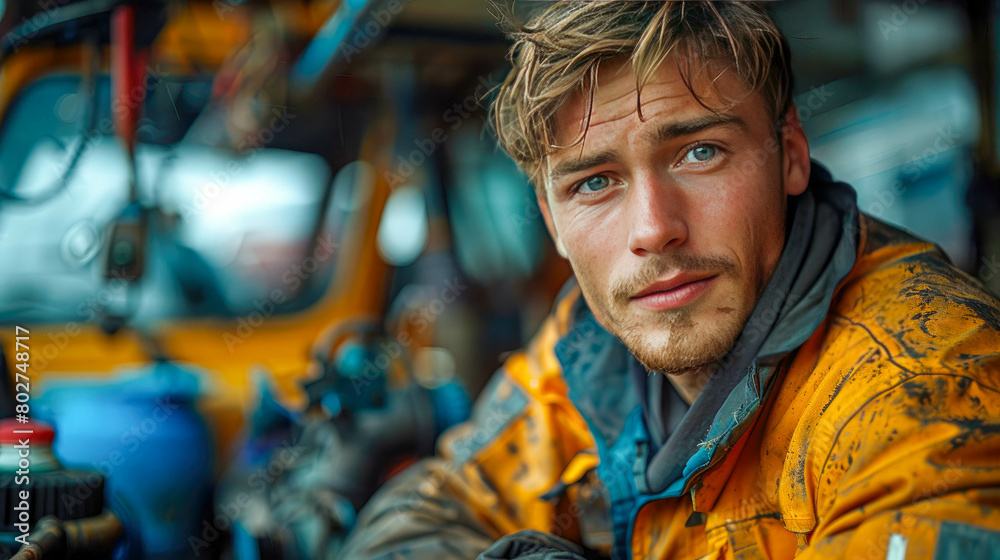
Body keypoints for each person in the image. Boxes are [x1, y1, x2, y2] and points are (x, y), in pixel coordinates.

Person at [337, 2, 1000, 559]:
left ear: (791, 155)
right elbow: (436, 506)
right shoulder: (586, 352)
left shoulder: (924, 387)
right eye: (595, 183)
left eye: (699, 152)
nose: (654, 229)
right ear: (553, 223)